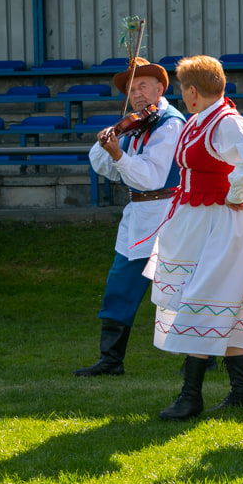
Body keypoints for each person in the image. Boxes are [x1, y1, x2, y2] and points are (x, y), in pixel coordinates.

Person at [144, 55, 243, 420]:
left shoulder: (229, 123)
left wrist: (234, 194)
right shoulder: (201, 120)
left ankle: (191, 395)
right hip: (201, 220)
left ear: (193, 90)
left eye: (184, 89)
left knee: (205, 296)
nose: (184, 96)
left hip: (226, 222)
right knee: (213, 298)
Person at [74, 58, 186, 377]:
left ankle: (203, 357)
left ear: (160, 88)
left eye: (142, 86)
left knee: (182, 287)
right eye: (131, 89)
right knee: (120, 283)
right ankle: (110, 360)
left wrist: (119, 154)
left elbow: (151, 176)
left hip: (167, 215)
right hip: (138, 214)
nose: (136, 94)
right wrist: (112, 139)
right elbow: (104, 166)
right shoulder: (137, 124)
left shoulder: (169, 124)